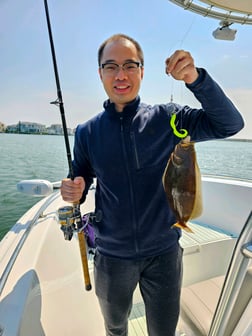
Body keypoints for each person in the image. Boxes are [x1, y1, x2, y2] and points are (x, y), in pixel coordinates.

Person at [61, 34, 244, 336]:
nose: (121, 75)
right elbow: (81, 174)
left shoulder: (169, 119)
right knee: (115, 327)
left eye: (130, 65)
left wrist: (195, 80)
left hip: (164, 254)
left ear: (142, 71)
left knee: (163, 331)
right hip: (111, 256)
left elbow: (229, 124)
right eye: (111, 66)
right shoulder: (87, 132)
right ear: (100, 73)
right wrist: (75, 188)